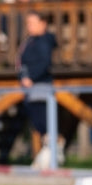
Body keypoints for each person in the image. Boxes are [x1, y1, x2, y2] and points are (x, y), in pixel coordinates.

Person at [18, 10, 61, 167]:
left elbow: (44, 63)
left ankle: (52, 155)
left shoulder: (44, 40)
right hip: (30, 87)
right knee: (39, 123)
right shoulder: (31, 41)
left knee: (44, 121)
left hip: (40, 87)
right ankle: (47, 155)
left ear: (43, 23)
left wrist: (32, 77)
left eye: (32, 23)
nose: (29, 26)